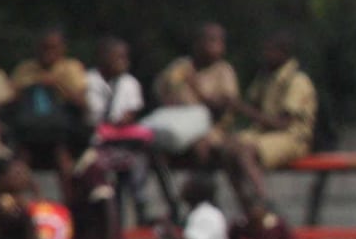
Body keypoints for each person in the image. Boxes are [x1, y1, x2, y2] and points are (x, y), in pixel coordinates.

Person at [222, 31, 316, 210]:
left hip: (292, 138)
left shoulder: (297, 80)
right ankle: (246, 205)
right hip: (265, 134)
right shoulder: (266, 77)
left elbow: (282, 123)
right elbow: (254, 102)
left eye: (269, 51)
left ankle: (263, 200)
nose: (265, 55)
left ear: (283, 52)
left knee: (244, 151)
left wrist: (243, 108)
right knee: (227, 148)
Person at [147, 22, 240, 164]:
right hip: (176, 122)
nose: (217, 46)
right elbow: (160, 90)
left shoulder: (224, 70)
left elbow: (221, 108)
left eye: (220, 41)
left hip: (209, 128)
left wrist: (196, 88)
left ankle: (201, 184)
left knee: (201, 146)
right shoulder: (181, 66)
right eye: (212, 40)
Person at [7, 27, 91, 172]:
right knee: (21, 156)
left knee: (62, 154)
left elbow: (81, 102)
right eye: (44, 47)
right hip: (30, 127)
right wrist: (32, 86)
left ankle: (70, 192)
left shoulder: (71, 67)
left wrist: (57, 85)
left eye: (53, 48)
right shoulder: (24, 69)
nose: (48, 52)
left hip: (60, 127)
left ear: (62, 48)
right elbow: (10, 98)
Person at [84, 37, 145, 127]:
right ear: (104, 56)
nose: (125, 62)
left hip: (118, 133)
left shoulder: (130, 83)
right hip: (90, 130)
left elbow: (131, 113)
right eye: (120, 57)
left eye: (126, 57)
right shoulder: (87, 79)